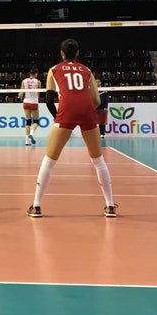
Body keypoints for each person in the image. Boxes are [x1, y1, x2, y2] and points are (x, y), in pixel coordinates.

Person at [27, 38, 118, 219]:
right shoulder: (87, 70)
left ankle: (36, 206)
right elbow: (97, 101)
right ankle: (110, 205)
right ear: (77, 53)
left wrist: (58, 117)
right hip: (86, 109)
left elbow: (48, 99)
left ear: (61, 54)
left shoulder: (54, 70)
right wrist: (84, 111)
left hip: (66, 109)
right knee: (98, 160)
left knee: (49, 160)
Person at [19, 66, 41, 146]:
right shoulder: (38, 82)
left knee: (28, 121)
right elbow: (38, 94)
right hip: (34, 102)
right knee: (36, 121)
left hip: (26, 102)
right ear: (35, 74)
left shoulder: (24, 81)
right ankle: (31, 133)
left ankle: (27, 140)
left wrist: (19, 96)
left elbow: (20, 94)